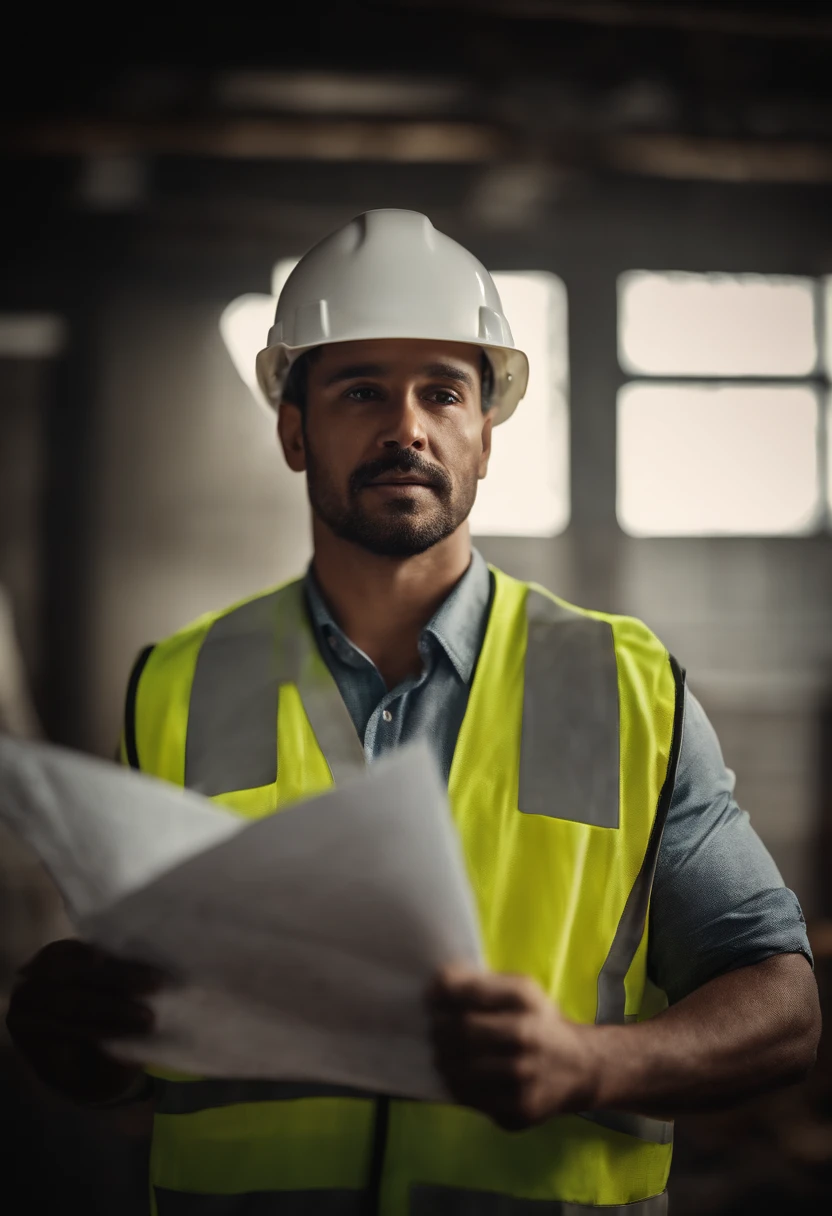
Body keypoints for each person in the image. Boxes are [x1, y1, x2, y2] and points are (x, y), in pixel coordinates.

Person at [6, 210, 820, 1215]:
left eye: (443, 391)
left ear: (485, 433)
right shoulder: (176, 684)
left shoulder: (621, 684)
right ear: (294, 429)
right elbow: (143, 1038)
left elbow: (782, 1004)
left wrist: (590, 1063)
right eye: (360, 391)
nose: (406, 427)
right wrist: (80, 1042)